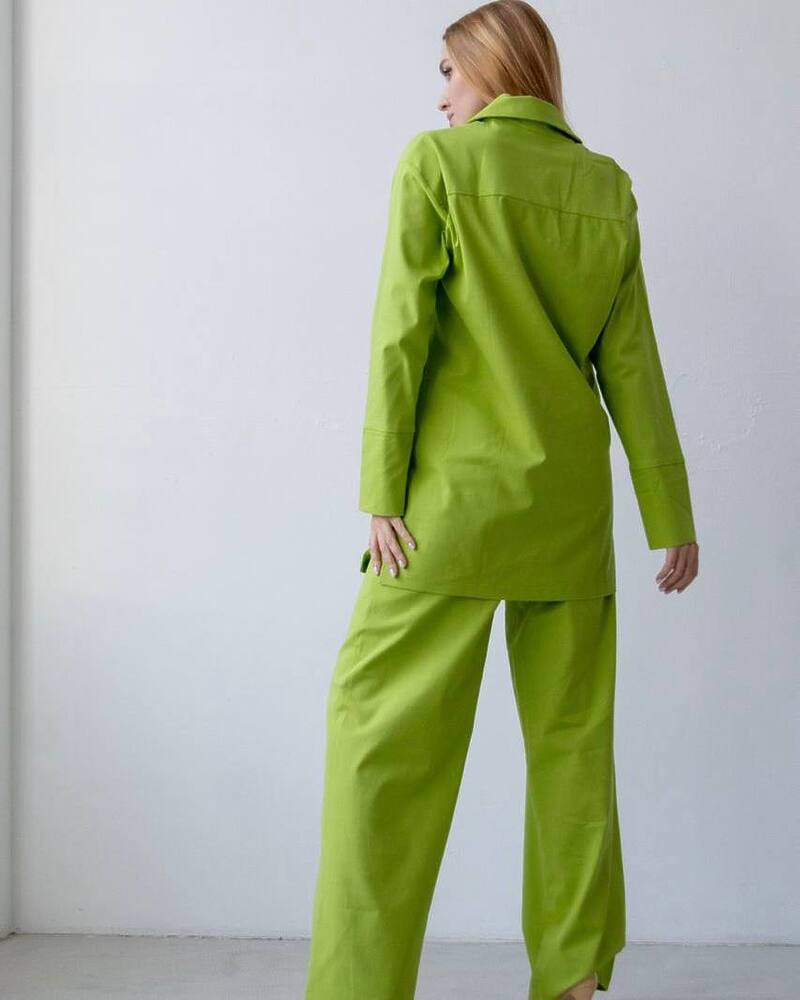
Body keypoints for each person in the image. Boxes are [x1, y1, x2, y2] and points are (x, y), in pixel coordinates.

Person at [304, 2, 700, 998]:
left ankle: (357, 988)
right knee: (572, 749)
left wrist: (379, 492)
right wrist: (670, 516)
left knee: (379, 746)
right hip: (567, 515)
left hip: (444, 514)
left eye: (448, 71)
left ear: (492, 66)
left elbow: (399, 336)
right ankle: (573, 979)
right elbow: (633, 365)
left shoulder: (435, 166)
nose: (440, 97)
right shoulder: (605, 187)